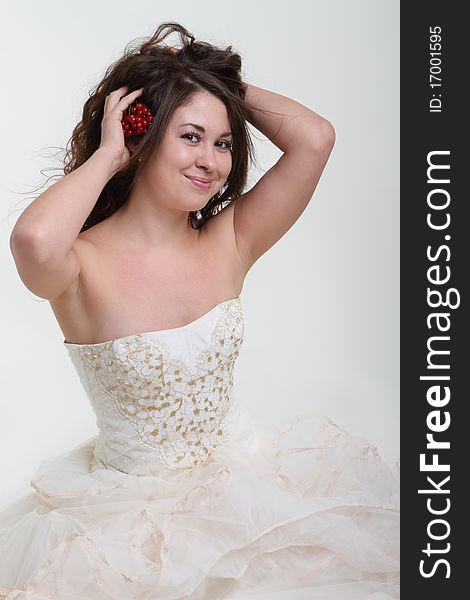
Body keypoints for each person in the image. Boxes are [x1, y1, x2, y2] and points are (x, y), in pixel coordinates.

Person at [1, 22, 399, 600]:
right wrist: (112, 151)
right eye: (190, 136)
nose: (211, 161)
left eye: (224, 143)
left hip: (239, 499)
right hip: (120, 528)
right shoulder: (78, 264)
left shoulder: (231, 239)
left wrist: (212, 78)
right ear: (143, 135)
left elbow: (315, 137)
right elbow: (33, 242)